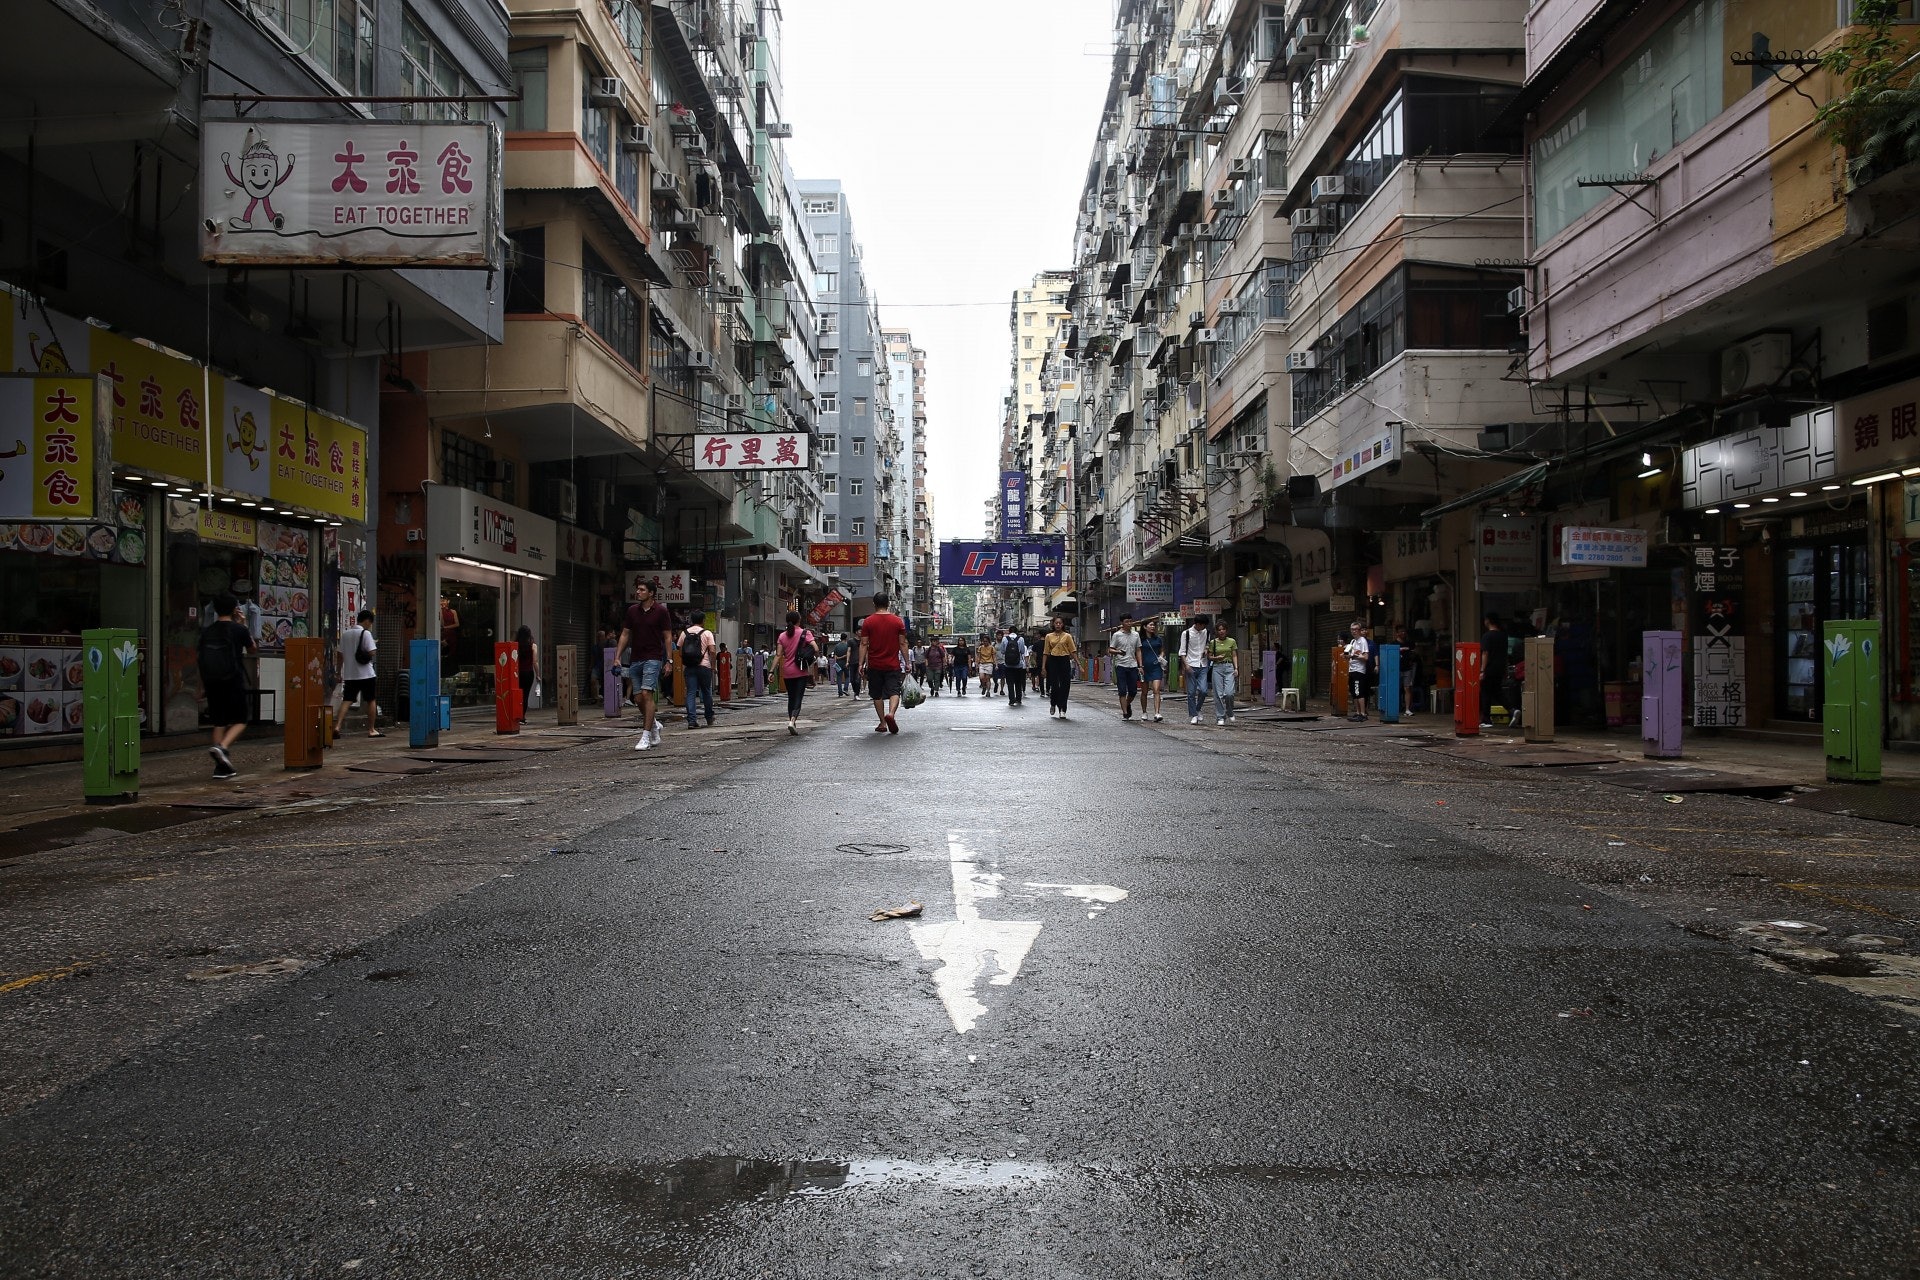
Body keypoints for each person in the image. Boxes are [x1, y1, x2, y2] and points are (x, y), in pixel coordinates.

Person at [198, 593, 256, 779]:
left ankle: (221, 767)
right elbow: (253, 649)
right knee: (241, 720)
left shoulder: (207, 630)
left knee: (219, 721)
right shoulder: (238, 629)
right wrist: (243, 624)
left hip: (211, 681)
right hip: (233, 679)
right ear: (234, 610)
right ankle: (222, 747)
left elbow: (200, 658)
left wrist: (201, 686)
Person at [617, 579, 677, 751]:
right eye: (638, 590)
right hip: (636, 658)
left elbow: (667, 636)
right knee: (637, 699)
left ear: (651, 593)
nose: (638, 592)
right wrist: (617, 656)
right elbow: (625, 634)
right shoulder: (632, 611)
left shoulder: (661, 611)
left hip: (653, 657)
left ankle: (645, 736)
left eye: (642, 590)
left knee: (646, 693)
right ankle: (655, 724)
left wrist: (669, 660)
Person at [859, 592, 910, 733]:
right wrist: (907, 662)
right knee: (895, 691)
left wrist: (860, 664)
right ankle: (891, 714)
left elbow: (864, 644)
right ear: (888, 604)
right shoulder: (898, 621)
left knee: (877, 694)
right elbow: (903, 643)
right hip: (892, 664)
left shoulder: (868, 621)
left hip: (874, 665)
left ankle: (882, 722)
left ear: (874, 604)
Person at [336, 608, 383, 738]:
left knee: (347, 700)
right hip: (366, 674)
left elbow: (340, 655)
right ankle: (372, 729)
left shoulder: (345, 635)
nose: (370, 625)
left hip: (350, 674)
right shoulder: (365, 634)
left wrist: (338, 672)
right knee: (371, 700)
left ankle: (337, 726)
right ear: (367, 621)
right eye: (370, 623)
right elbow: (372, 652)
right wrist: (371, 645)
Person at [774, 610, 817, 734]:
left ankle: (792, 722)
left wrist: (771, 672)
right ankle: (792, 721)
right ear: (799, 620)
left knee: (791, 698)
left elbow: (778, 655)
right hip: (800, 671)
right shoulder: (805, 633)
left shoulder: (782, 636)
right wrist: (810, 655)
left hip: (787, 672)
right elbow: (816, 648)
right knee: (798, 697)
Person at [680, 613, 716, 729]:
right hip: (704, 666)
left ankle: (691, 721)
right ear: (703, 620)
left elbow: (680, 652)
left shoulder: (684, 633)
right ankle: (709, 717)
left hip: (689, 667)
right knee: (706, 692)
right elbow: (712, 651)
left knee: (690, 692)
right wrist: (713, 666)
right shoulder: (707, 633)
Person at [1043, 617, 1078, 718]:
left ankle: (1063, 709)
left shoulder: (1067, 636)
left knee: (1065, 686)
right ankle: (1053, 703)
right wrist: (1043, 667)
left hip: (1064, 660)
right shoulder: (1048, 636)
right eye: (1056, 623)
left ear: (1063, 624)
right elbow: (1045, 652)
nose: (1058, 625)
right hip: (1053, 661)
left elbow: (1073, 651)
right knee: (1055, 686)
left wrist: (1078, 664)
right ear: (1053, 624)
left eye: (1060, 623)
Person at [1179, 616, 1212, 725]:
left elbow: (1208, 644)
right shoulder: (1186, 633)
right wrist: (1186, 665)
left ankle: (1197, 709)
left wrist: (1207, 650)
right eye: (1202, 625)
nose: (1203, 628)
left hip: (1203, 664)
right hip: (1191, 664)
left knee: (1203, 690)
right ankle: (1193, 715)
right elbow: (1182, 651)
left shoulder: (1206, 632)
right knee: (1191, 692)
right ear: (1197, 624)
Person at [1209, 622, 1242, 726]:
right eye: (1219, 629)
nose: (1221, 631)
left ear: (1226, 630)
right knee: (1218, 694)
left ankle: (1230, 710)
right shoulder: (1213, 642)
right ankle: (1220, 716)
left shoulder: (1232, 641)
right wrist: (1216, 658)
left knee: (1229, 693)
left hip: (1229, 667)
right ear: (1216, 631)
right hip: (1217, 667)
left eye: (1223, 629)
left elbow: (1234, 655)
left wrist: (1236, 668)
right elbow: (1209, 657)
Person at [1110, 614, 1142, 720]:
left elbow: (1138, 650)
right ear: (1122, 623)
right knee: (1122, 690)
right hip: (1121, 665)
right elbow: (1110, 649)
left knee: (1133, 691)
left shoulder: (1136, 635)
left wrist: (1140, 665)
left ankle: (1127, 704)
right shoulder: (1117, 635)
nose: (1129, 623)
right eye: (1127, 621)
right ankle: (1125, 712)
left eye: (1130, 621)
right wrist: (1118, 651)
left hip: (1132, 665)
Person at [1479, 614, 1508, 729]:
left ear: (1488, 621)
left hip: (1490, 669)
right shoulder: (1503, 636)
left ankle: (1486, 719)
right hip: (1500, 668)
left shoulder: (1487, 636)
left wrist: (1482, 670)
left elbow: (1485, 653)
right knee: (1497, 692)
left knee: (1486, 692)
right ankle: (1512, 709)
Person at [1343, 619, 1372, 722]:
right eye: (1352, 629)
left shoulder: (1362, 641)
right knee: (1354, 692)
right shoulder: (1352, 642)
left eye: (1356, 629)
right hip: (1352, 669)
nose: (1354, 631)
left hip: (1359, 670)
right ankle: (1357, 712)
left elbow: (1365, 657)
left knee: (1359, 692)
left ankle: (1363, 713)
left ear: (1360, 630)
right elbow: (1347, 655)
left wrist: (1354, 655)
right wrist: (1346, 655)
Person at [1139, 618, 1166, 722]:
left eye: (1154, 625)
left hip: (1156, 667)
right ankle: (1144, 712)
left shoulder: (1158, 639)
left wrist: (1161, 656)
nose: (1153, 627)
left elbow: (1162, 650)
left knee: (1156, 690)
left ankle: (1157, 713)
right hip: (1144, 668)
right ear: (1145, 627)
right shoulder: (1140, 640)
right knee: (1144, 691)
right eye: (1150, 625)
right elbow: (1138, 652)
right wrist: (1140, 666)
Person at [515, 624, 539, 725]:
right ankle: (522, 717)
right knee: (525, 695)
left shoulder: (515, 645)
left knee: (518, 695)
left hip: (518, 674)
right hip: (528, 673)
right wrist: (538, 674)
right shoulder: (533, 645)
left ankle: (516, 715)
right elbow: (535, 662)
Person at [1394, 624, 1420, 718]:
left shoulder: (1410, 643)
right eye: (1401, 631)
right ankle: (1395, 707)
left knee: (1407, 688)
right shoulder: (1393, 644)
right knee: (1395, 688)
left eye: (1404, 631)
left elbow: (1415, 653)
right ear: (1397, 633)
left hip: (1408, 668)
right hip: (1396, 669)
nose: (1403, 633)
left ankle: (1407, 709)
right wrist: (1400, 649)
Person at [999, 626, 1029, 707]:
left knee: (1010, 683)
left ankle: (1011, 700)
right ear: (1017, 632)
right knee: (1018, 682)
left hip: (1008, 665)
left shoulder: (1005, 639)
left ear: (1009, 632)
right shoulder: (1021, 639)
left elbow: (1002, 651)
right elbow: (1022, 651)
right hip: (1018, 665)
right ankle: (1018, 699)